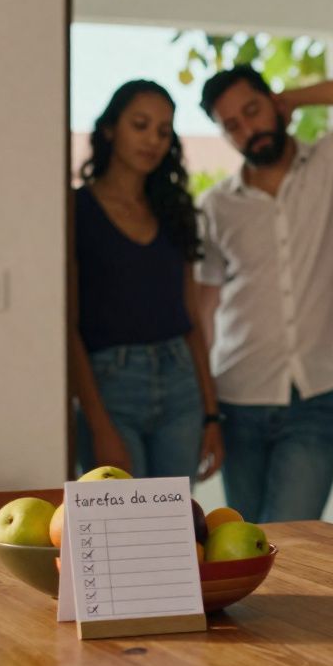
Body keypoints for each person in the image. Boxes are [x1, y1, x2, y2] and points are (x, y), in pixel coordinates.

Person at [197, 66, 333, 523]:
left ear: (274, 105)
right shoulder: (216, 206)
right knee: (241, 544)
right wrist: (209, 413)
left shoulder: (330, 161)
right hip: (238, 397)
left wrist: (292, 96)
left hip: (316, 397)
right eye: (232, 125)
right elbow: (202, 312)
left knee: (293, 539)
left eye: (253, 111)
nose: (247, 130)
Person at [71, 80, 223, 482]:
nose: (152, 140)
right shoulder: (75, 211)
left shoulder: (175, 211)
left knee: (175, 528)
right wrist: (98, 424)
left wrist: (211, 415)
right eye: (140, 125)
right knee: (118, 527)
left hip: (180, 385)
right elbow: (68, 329)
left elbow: (191, 319)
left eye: (162, 130)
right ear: (110, 129)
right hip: (110, 387)